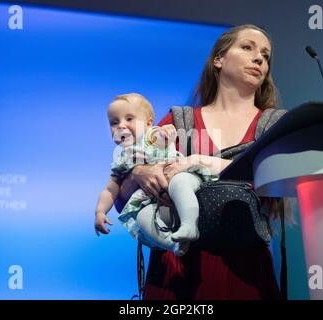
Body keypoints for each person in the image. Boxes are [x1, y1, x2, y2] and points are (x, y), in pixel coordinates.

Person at [114, 24, 282, 299]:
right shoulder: (178, 122)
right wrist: (138, 174)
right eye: (247, 47)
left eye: (266, 55)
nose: (259, 58)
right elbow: (122, 202)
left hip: (247, 275)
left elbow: (280, 183)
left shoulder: (274, 126)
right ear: (218, 59)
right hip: (177, 275)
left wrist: (205, 162)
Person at [94, 93, 217, 257]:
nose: (121, 126)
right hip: (154, 202)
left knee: (180, 183)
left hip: (179, 177)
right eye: (114, 123)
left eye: (129, 119)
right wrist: (100, 212)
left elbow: (164, 136)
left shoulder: (152, 136)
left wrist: (166, 132)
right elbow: (110, 190)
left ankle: (189, 224)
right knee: (143, 218)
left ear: (149, 122)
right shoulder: (122, 159)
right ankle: (174, 244)